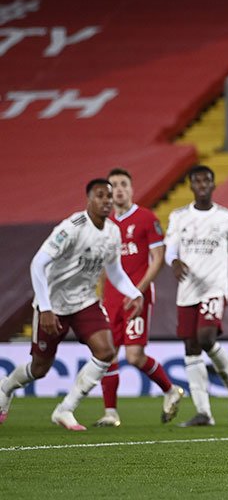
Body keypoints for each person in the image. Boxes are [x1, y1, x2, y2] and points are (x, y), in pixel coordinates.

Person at [0, 178, 144, 430]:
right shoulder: (71, 227)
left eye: (109, 196)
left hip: (85, 302)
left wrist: (135, 293)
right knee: (40, 367)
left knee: (106, 351)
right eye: (100, 196)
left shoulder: (112, 231)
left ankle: (65, 409)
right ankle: (6, 387)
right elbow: (38, 264)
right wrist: (45, 307)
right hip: (52, 304)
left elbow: (115, 270)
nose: (106, 201)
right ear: (88, 200)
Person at [164, 164, 228, 427]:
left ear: (213, 184)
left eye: (206, 181)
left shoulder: (227, 218)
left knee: (206, 337)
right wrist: (173, 261)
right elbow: (169, 250)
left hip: (214, 288)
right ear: (190, 185)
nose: (202, 186)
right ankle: (203, 412)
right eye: (197, 181)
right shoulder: (178, 217)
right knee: (191, 347)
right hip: (187, 290)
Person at [95, 167, 184, 427]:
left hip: (138, 297)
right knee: (106, 354)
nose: (119, 189)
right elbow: (103, 264)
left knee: (134, 356)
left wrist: (139, 290)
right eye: (114, 186)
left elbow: (157, 259)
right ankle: (110, 413)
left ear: (132, 189)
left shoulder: (146, 218)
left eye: (123, 184)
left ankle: (170, 390)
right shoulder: (105, 224)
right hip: (111, 298)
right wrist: (100, 295)